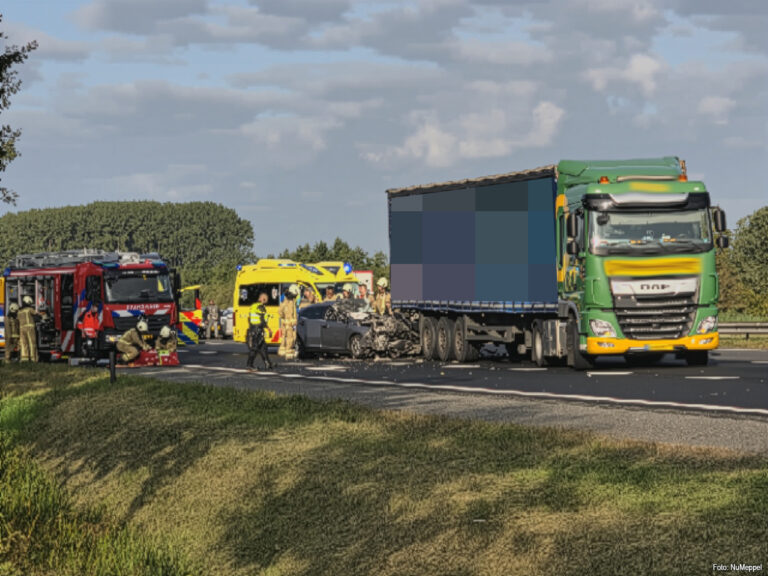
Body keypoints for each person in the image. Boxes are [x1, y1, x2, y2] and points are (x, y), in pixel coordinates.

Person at [247, 292, 273, 370]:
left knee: (263, 347)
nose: (267, 301)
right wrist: (269, 329)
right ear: (263, 299)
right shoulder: (261, 307)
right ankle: (249, 365)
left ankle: (268, 363)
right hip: (257, 330)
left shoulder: (253, 306)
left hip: (253, 329)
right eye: (266, 299)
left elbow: (249, 318)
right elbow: (263, 320)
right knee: (255, 348)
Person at [278, 284, 299, 359]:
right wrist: (292, 320)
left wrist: (283, 318)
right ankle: (289, 352)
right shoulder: (290, 302)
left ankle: (282, 350)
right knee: (290, 337)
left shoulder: (284, 301)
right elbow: (292, 313)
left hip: (285, 322)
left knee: (284, 337)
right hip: (290, 323)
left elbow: (280, 312)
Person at [17, 296, 39, 362]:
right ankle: (33, 358)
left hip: (21, 329)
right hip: (30, 329)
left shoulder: (19, 311)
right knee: (32, 343)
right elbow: (37, 314)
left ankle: (24, 359)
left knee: (24, 344)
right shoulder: (30, 309)